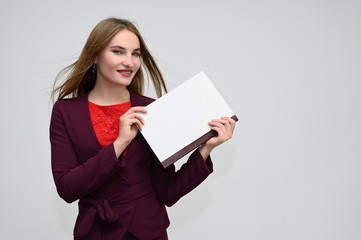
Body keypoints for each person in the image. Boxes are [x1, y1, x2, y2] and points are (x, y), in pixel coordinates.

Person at [50, 17, 236, 240]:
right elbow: (67, 189)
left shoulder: (150, 109)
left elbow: (168, 192)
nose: (130, 62)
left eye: (135, 54)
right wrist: (119, 144)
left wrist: (206, 150)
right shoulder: (65, 111)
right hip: (96, 233)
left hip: (148, 233)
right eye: (118, 52)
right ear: (95, 56)